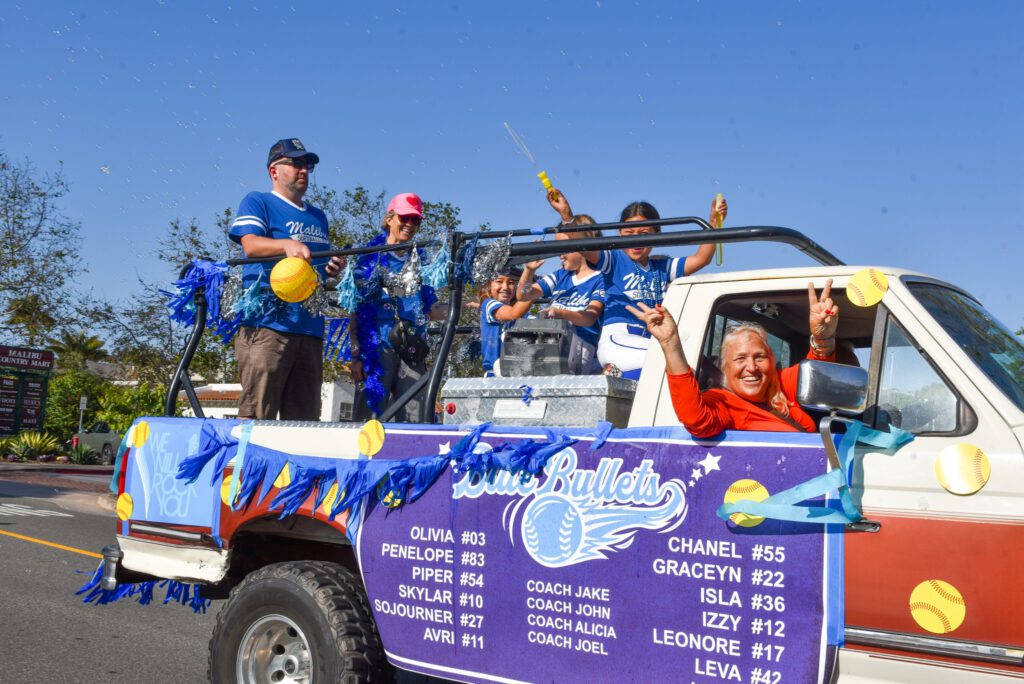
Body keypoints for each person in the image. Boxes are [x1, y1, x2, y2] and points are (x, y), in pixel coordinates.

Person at [547, 191, 727, 379]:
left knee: (680, 368)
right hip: (618, 340)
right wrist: (567, 216)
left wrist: (713, 223)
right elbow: (585, 247)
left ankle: (617, 376)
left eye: (644, 233)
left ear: (657, 234)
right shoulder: (615, 260)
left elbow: (701, 259)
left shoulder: (661, 267)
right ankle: (615, 372)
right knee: (679, 358)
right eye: (629, 233)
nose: (636, 239)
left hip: (648, 339)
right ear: (620, 233)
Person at [629, 280, 839, 437]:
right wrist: (670, 343)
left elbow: (819, 376)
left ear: (772, 360)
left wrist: (823, 338)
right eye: (740, 359)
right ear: (724, 367)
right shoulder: (723, 402)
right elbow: (696, 419)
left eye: (760, 357)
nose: (752, 367)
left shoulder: (780, 382)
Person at [229, 138, 344, 420]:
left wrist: (333, 267)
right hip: (267, 326)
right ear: (274, 171)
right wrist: (285, 245)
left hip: (310, 328)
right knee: (257, 417)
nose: (303, 169)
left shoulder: (319, 216)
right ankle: (247, 466)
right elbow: (251, 245)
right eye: (295, 163)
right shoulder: (258, 201)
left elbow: (311, 264)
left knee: (304, 423)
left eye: (307, 165)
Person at [350, 193, 447, 420]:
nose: (410, 224)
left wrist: (465, 307)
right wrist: (356, 355)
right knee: (369, 420)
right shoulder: (368, 257)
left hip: (411, 348)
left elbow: (430, 311)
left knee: (415, 420)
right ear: (390, 219)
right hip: (377, 349)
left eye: (416, 220)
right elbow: (356, 308)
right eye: (405, 217)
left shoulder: (420, 259)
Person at [517, 215, 607, 374]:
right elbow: (524, 295)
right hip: (551, 341)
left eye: (565, 247)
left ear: (583, 246)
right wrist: (529, 270)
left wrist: (561, 313)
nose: (560, 254)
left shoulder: (601, 278)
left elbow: (589, 318)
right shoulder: (561, 275)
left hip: (579, 347)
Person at [478, 265, 533, 376]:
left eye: (511, 283)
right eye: (499, 281)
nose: (506, 287)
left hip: (518, 373)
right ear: (488, 284)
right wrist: (532, 290)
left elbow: (535, 324)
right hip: (495, 374)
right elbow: (512, 313)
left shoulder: (523, 314)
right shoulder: (488, 304)